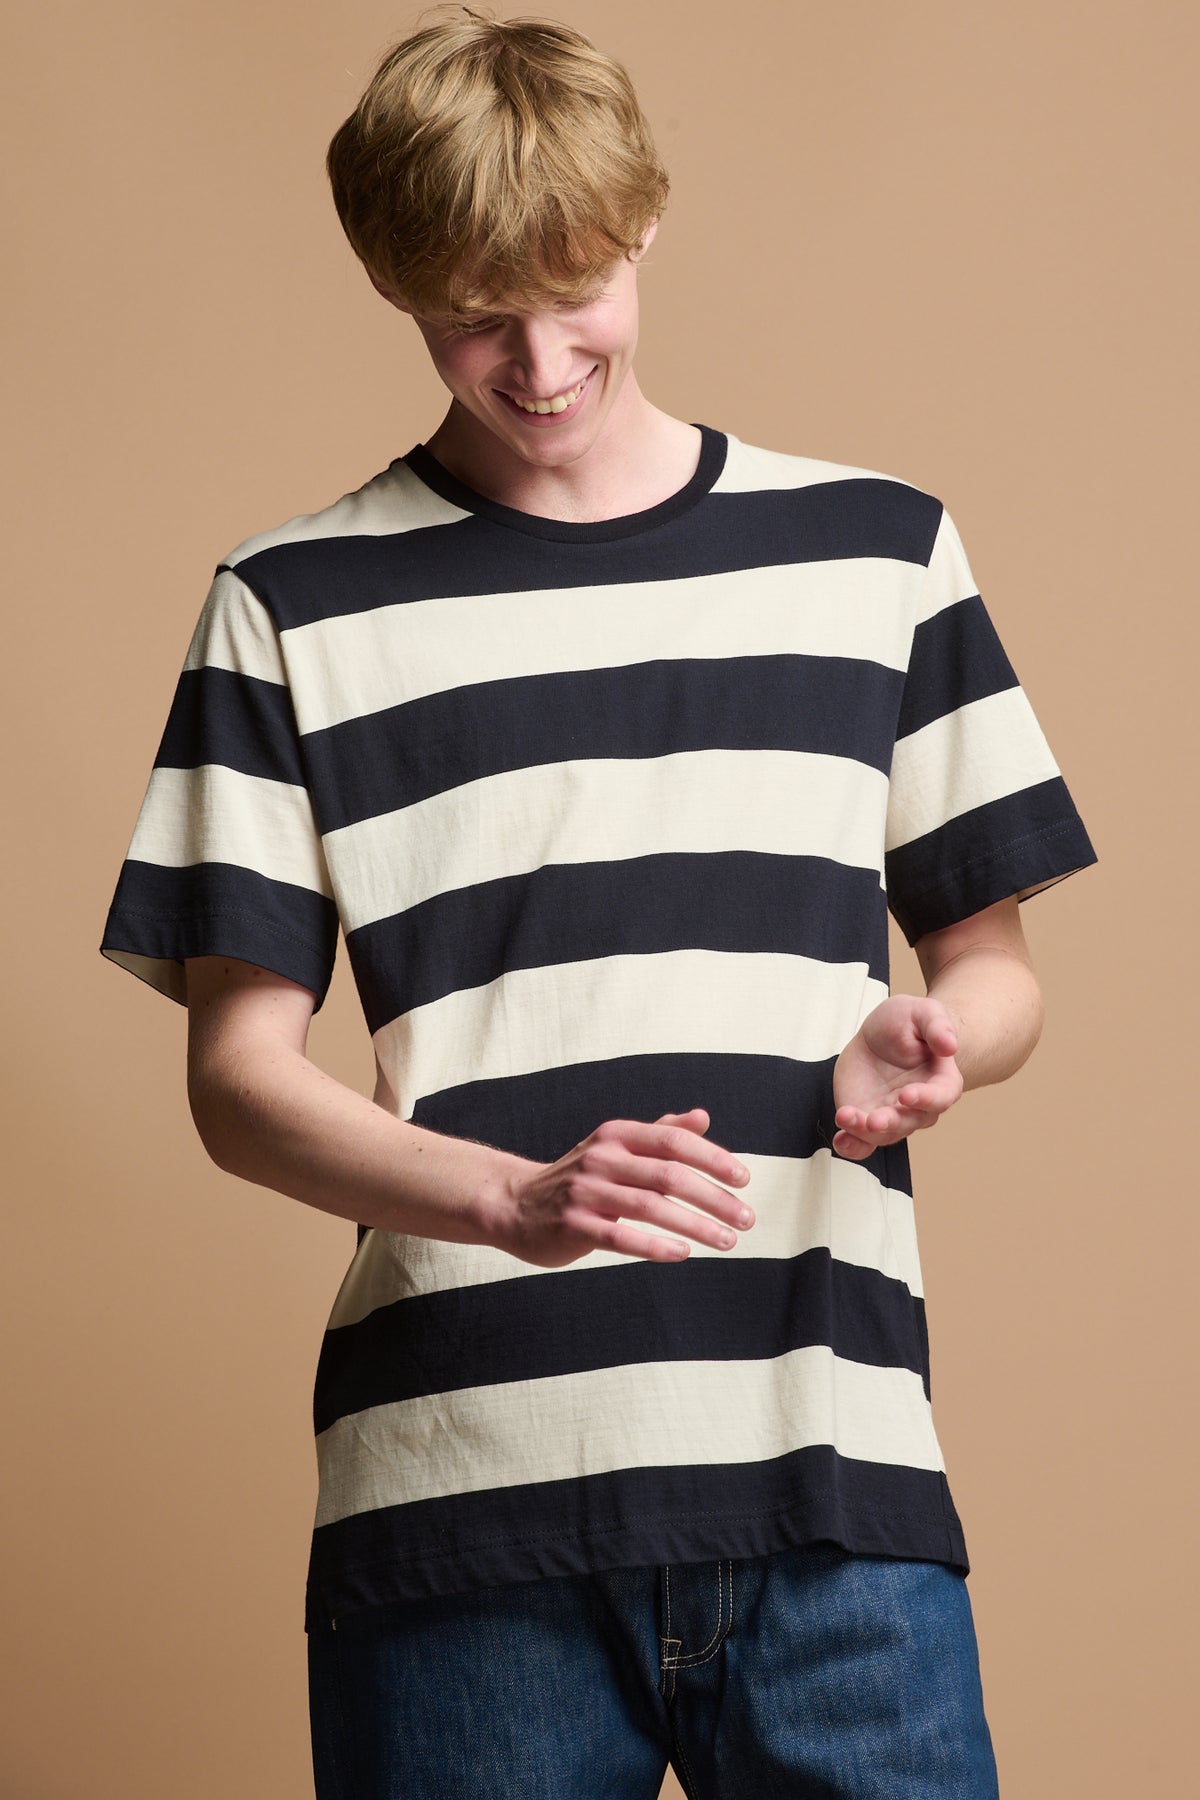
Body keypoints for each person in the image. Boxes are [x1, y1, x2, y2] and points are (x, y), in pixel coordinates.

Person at [101, 9, 1097, 1796]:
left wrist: (939, 1039)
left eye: (575, 290)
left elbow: (997, 974)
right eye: (477, 312)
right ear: (397, 287)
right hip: (458, 1511)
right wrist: (515, 1195)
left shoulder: (877, 553)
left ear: (644, 226)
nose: (541, 358)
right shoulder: (287, 603)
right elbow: (238, 1079)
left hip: (830, 1476)